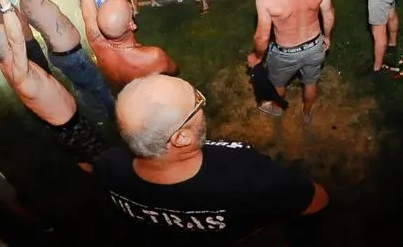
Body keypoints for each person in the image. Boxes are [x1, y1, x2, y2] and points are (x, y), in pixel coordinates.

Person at [93, 74, 329, 244]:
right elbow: (316, 200)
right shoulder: (244, 172)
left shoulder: (107, 166)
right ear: (182, 138)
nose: (202, 106)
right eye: (197, 102)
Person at [0, 0, 107, 172]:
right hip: (69, 124)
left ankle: (92, 174)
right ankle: (109, 183)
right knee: (98, 157)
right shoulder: (19, 71)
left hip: (59, 124)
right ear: (7, 44)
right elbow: (16, 40)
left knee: (79, 155)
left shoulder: (4, 61)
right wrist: (4, 1)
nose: (8, 30)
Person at [250, 0, 334, 121]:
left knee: (279, 84)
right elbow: (328, 14)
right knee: (311, 83)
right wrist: (327, 37)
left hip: (285, 53)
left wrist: (257, 56)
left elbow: (262, 37)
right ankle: (307, 114)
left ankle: (278, 107)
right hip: (315, 45)